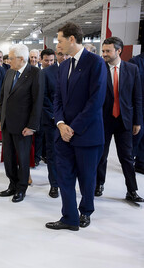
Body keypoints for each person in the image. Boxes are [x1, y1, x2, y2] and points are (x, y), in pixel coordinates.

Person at [46, 22, 107, 231]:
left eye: (60, 40)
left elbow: (96, 101)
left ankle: (86, 211)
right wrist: (61, 124)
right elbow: (58, 99)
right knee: (64, 177)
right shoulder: (63, 66)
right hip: (63, 135)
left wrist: (73, 128)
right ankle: (69, 217)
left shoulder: (95, 63)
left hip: (87, 134)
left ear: (72, 39)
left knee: (87, 178)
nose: (58, 45)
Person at [95, 36, 143, 202]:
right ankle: (98, 185)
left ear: (119, 51)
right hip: (103, 120)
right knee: (101, 156)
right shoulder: (99, 68)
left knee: (127, 157)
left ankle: (132, 190)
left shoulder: (132, 69)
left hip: (125, 120)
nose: (105, 54)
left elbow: (137, 97)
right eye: (103, 51)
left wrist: (137, 121)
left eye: (108, 51)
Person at [0, 44, 44, 203]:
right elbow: (3, 98)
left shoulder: (35, 73)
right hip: (7, 124)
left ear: (21, 59)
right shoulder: (9, 72)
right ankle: (12, 184)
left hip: (24, 127)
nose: (7, 60)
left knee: (22, 159)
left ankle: (21, 188)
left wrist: (32, 126)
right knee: (8, 158)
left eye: (10, 58)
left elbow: (37, 102)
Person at [41, 48, 70, 198]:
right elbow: (44, 98)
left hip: (72, 123)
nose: (63, 57)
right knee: (52, 153)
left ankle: (67, 183)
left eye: (66, 54)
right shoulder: (47, 73)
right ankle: (54, 184)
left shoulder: (77, 70)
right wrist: (56, 118)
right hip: (52, 121)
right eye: (60, 54)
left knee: (69, 155)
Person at [130, 51, 144, 173]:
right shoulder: (135, 62)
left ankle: (141, 163)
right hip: (137, 105)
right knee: (136, 134)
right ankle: (130, 159)